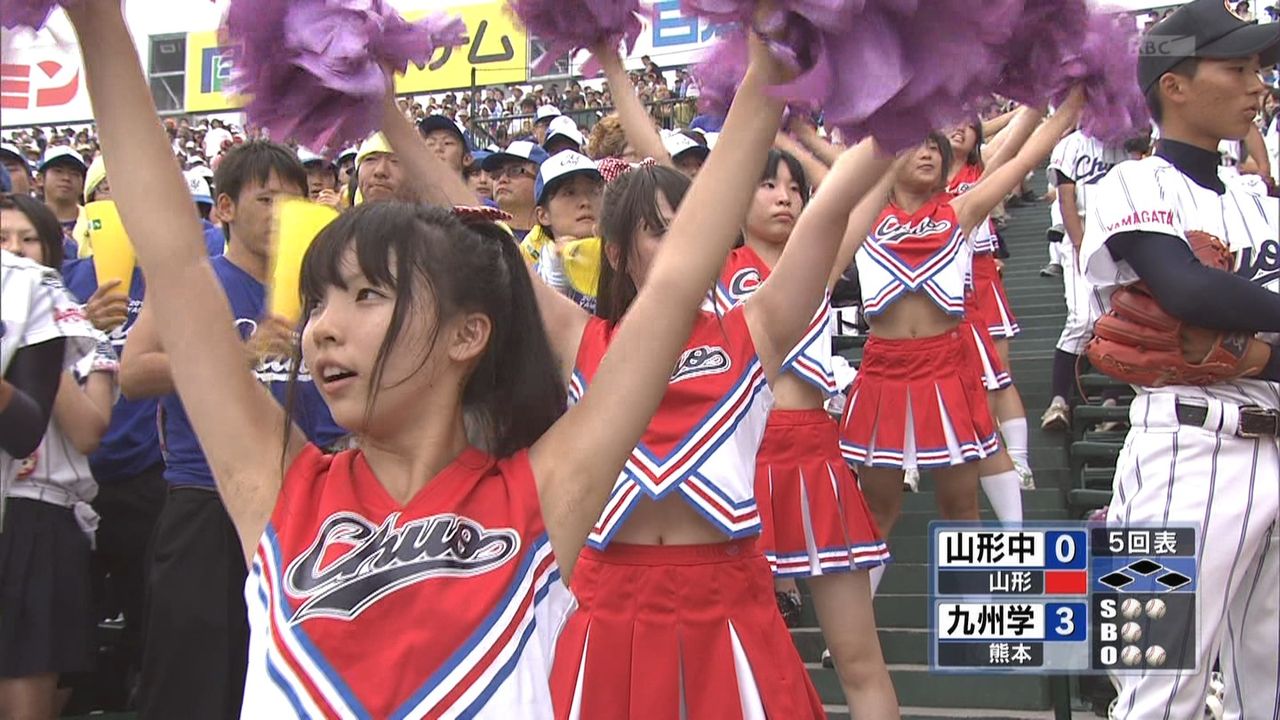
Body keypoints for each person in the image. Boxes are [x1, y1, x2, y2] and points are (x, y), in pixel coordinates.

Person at [68, 2, 799, 716]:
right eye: (317, 301)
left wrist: (768, 62)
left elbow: (675, 280)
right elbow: (175, 261)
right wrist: (97, 21)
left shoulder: (541, 496)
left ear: (467, 335)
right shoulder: (279, 490)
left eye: (366, 295)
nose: (322, 329)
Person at [1081, 2, 1280, 716]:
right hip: (1184, 452)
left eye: (1259, 68)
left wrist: (1252, 351)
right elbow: (1187, 290)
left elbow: (1221, 313)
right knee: (1158, 692)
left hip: (1271, 435)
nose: (1258, 84)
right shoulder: (1132, 183)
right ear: (1176, 84)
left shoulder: (1262, 199)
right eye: (1238, 67)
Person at [117, 139, 347, 719]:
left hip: (304, 504)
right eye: (265, 199)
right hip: (207, 501)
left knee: (287, 679)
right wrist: (236, 356)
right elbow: (134, 373)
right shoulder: (201, 284)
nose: (280, 213)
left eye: (293, 201)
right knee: (194, 683)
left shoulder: (323, 293)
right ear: (223, 207)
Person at [840, 93, 1085, 598]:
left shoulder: (962, 209)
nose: (929, 152)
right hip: (883, 372)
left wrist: (1066, 106)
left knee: (960, 507)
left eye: (935, 146)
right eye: (915, 145)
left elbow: (1023, 157)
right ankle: (855, 622)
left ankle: (973, 612)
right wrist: (791, 123)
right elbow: (824, 164)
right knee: (877, 510)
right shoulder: (862, 215)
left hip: (945, 369)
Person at [712, 146, 900, 715]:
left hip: (818, 455)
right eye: (768, 184)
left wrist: (896, 134)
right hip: (741, 461)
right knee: (745, 661)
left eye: (795, 188)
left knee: (860, 659)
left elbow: (866, 196)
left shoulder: (819, 260)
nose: (785, 197)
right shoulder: (711, 267)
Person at [0, 194, 110, 720]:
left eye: (28, 240)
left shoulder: (80, 335)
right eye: (2, 239)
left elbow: (89, 431)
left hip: (39, 515)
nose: (14, 250)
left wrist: (42, 345)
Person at [1040, 127, 1129, 432]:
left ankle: (1110, 402)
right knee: (1082, 318)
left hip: (1120, 235)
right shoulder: (1070, 145)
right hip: (1082, 231)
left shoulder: (1127, 141)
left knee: (1119, 318)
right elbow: (1066, 199)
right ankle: (1058, 402)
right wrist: (1080, 246)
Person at [522, 151, 605, 312]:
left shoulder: (622, 261)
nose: (585, 202)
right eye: (569, 193)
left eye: (593, 191)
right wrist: (557, 280)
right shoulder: (530, 276)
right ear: (543, 215)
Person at [482, 140, 549, 240]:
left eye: (515, 171)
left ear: (541, 180)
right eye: (497, 174)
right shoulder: (480, 233)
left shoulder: (560, 239)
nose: (502, 179)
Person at [38, 145, 88, 259]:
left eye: (74, 173)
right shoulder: (28, 220)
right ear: (40, 179)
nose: (66, 178)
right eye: (58, 171)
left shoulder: (95, 220)